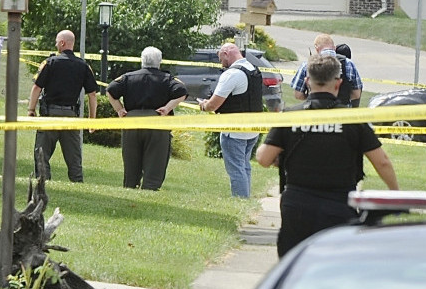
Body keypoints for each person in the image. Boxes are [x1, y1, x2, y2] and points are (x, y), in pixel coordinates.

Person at [257, 54, 398, 258]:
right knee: (335, 267)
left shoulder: (290, 116)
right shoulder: (352, 120)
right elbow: (382, 161)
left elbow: (263, 158)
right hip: (340, 203)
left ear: (307, 82)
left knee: (295, 267)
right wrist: (395, 193)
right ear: (338, 83)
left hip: (297, 204)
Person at [106, 47, 188, 190]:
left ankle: (130, 187)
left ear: (142, 61)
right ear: (160, 62)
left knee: (131, 159)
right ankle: (150, 187)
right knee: (156, 159)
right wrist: (167, 108)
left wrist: (119, 109)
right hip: (157, 122)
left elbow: (110, 90)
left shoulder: (128, 77)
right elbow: (182, 92)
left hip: (132, 122)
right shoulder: (167, 78)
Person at [27, 30, 99, 183]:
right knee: (74, 158)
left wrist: (31, 109)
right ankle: (77, 184)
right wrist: (92, 120)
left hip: (49, 117)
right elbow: (92, 94)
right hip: (71, 118)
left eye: (56, 41)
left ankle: (43, 183)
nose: (55, 44)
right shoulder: (83, 66)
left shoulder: (50, 63)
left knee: (41, 154)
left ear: (62, 43)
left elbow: (36, 88)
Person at [196, 43, 262, 198]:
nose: (221, 63)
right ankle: (245, 200)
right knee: (244, 167)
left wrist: (204, 106)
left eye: (221, 59)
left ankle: (240, 201)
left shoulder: (232, 74)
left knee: (236, 169)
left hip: (234, 131)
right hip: (253, 130)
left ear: (226, 53)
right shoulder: (253, 69)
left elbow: (213, 105)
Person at [290, 33, 362, 107]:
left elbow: (298, 95)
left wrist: (309, 99)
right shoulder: (349, 64)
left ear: (316, 48)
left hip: (314, 111)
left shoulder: (307, 65)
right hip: (342, 113)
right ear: (334, 48)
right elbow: (356, 94)